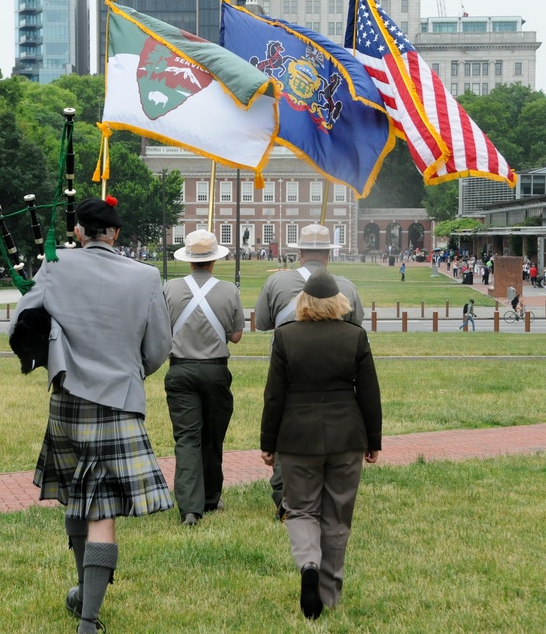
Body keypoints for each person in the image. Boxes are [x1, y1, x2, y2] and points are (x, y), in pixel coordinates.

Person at [11, 195, 173, 634]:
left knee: (76, 494)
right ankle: (87, 619)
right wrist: (131, 372)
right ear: (115, 233)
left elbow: (22, 326)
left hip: (67, 398)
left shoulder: (55, 265)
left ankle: (85, 594)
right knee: (100, 508)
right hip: (118, 399)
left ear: (80, 231)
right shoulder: (146, 276)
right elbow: (159, 348)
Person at [260, 270, 382, 620]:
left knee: (299, 509)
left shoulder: (285, 338)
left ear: (303, 303)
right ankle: (328, 595)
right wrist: (373, 440)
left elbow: (274, 397)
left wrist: (269, 443)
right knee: (337, 516)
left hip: (297, 438)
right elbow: (370, 394)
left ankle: (308, 564)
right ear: (338, 303)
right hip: (347, 437)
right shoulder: (355, 337)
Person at [254, 224, 364, 518]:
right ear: (329, 254)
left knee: (283, 424)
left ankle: (283, 492)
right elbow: (357, 330)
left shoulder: (276, 283)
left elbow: (261, 323)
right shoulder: (348, 287)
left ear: (299, 252)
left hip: (288, 365)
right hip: (335, 374)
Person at [162, 230, 244, 526]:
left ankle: (189, 508)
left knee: (187, 438)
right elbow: (235, 336)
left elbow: (161, 329)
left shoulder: (169, 288)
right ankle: (210, 497)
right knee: (212, 437)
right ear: (214, 261)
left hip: (180, 368)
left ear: (189, 260)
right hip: (215, 369)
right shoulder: (229, 290)